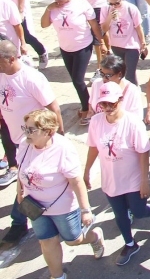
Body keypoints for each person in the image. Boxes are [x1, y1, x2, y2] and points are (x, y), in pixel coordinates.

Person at [16, 108, 104, 279]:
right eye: (25, 128)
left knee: (73, 239)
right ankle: (57, 276)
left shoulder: (63, 148)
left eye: (31, 129)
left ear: (48, 132)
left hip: (62, 206)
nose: (26, 133)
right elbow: (21, 170)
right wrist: (20, 192)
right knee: (46, 241)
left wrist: (85, 210)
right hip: (35, 207)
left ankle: (95, 237)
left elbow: (76, 181)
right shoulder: (24, 144)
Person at [85, 82, 150, 266]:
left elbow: (143, 152)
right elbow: (92, 147)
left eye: (111, 104)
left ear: (120, 100)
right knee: (120, 214)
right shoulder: (97, 122)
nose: (107, 108)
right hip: (111, 180)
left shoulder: (132, 122)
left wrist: (144, 180)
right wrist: (87, 171)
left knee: (138, 211)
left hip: (133, 179)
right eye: (103, 104)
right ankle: (130, 244)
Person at [0, 40, 64, 246]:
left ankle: (20, 223)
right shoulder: (2, 75)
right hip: (14, 138)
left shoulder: (32, 78)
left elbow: (54, 107)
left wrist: (58, 137)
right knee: (26, 179)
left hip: (34, 141)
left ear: (11, 59)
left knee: (24, 180)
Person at [40, 0, 104, 125]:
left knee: (78, 80)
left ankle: (88, 108)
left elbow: (93, 24)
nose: (57, 0)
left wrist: (101, 42)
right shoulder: (53, 8)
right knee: (75, 80)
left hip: (83, 45)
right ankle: (86, 102)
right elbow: (44, 25)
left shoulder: (81, 3)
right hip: (65, 48)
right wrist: (48, 9)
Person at [100, 0, 146, 85]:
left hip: (131, 45)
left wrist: (143, 43)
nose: (114, 6)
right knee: (120, 73)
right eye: (111, 4)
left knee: (129, 74)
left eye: (117, 3)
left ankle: (133, 95)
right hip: (116, 45)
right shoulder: (105, 9)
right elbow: (104, 29)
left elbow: (138, 27)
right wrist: (109, 17)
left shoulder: (131, 8)